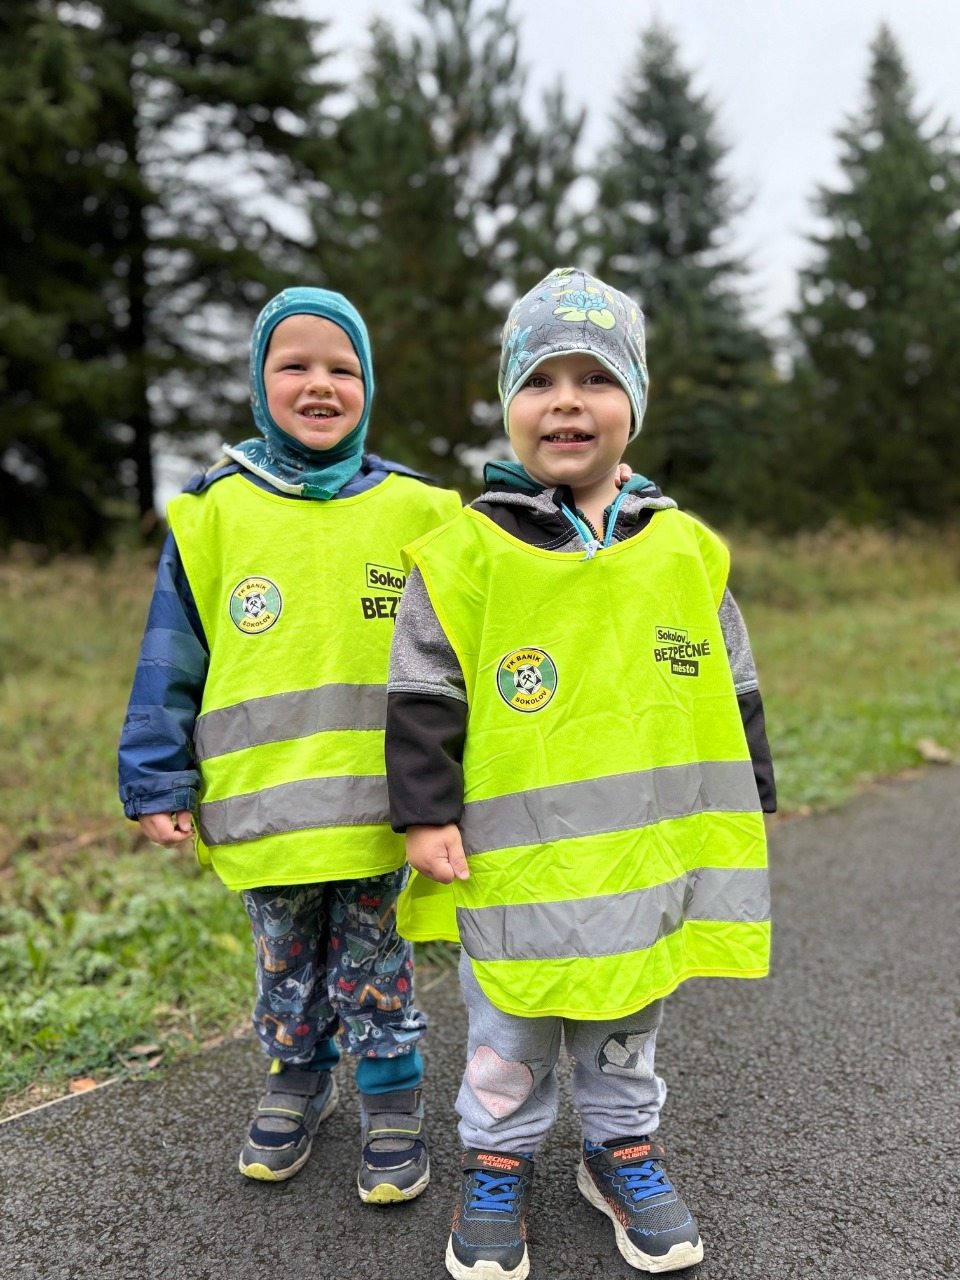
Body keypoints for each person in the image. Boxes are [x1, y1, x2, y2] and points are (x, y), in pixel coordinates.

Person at [384, 266, 775, 1278]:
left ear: (633, 403)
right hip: (511, 867)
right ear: (509, 404)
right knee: (511, 1024)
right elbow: (422, 690)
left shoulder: (685, 550)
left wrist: (750, 793)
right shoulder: (466, 553)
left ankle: (620, 1150)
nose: (567, 401)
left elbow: (729, 682)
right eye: (541, 379)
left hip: (641, 861)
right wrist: (424, 812)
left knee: (624, 1014)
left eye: (596, 378)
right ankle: (498, 1159)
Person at [118, 286, 461, 1201]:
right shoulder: (215, 512)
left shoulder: (423, 512)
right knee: (284, 960)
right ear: (258, 382)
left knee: (376, 958)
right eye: (294, 365)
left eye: (343, 368)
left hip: (381, 810)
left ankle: (391, 1094)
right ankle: (297, 1078)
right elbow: (171, 655)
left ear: (369, 387)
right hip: (265, 808)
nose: (320, 384)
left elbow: (475, 636)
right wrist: (156, 776)